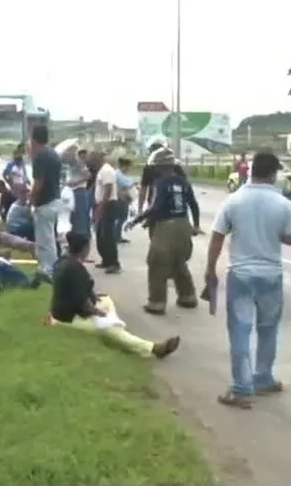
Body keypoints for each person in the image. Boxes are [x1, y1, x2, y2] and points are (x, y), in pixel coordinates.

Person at [205, 152, 291, 409]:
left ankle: (240, 388)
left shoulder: (233, 201)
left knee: (240, 330)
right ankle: (263, 377)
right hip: (271, 274)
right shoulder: (283, 204)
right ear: (273, 175)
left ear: (249, 171)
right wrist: (271, 231)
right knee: (268, 329)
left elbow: (217, 237)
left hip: (241, 274)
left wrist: (210, 269)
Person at [48, 231, 181, 358]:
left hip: (65, 310)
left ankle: (118, 329)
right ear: (84, 249)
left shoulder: (63, 261)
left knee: (106, 299)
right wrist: (97, 312)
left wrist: (95, 300)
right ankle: (153, 349)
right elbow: (80, 300)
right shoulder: (75, 269)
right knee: (107, 327)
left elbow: (74, 292)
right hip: (68, 319)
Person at [127, 148, 200, 314]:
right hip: (183, 225)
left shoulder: (160, 183)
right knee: (178, 261)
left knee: (156, 263)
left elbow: (156, 208)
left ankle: (156, 303)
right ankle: (187, 296)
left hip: (166, 227)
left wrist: (137, 220)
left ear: (159, 167)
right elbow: (193, 205)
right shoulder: (183, 181)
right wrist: (196, 225)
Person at [29, 124, 62, 281]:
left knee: (45, 240)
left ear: (33, 138)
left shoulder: (41, 156)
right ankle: (48, 267)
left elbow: (38, 183)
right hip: (54, 199)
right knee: (48, 238)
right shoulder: (53, 154)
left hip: (45, 202)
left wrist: (31, 199)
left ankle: (48, 269)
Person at [90, 151, 121, 274]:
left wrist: (101, 207)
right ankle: (106, 260)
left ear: (99, 158)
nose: (91, 162)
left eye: (93, 158)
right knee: (100, 234)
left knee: (107, 235)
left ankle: (113, 262)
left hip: (107, 205)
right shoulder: (101, 171)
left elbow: (108, 190)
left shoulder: (107, 170)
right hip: (102, 204)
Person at [63, 148, 93, 238]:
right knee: (76, 215)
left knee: (80, 215)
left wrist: (75, 182)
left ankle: (81, 236)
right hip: (74, 191)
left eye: (68, 153)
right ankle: (81, 235)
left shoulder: (79, 163)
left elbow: (88, 175)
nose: (66, 156)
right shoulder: (71, 165)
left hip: (79, 191)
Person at [114, 157, 136, 243]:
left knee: (123, 217)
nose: (129, 168)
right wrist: (121, 196)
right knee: (120, 217)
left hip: (126, 198)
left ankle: (118, 235)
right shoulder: (117, 174)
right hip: (121, 198)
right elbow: (118, 187)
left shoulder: (124, 174)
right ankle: (116, 236)